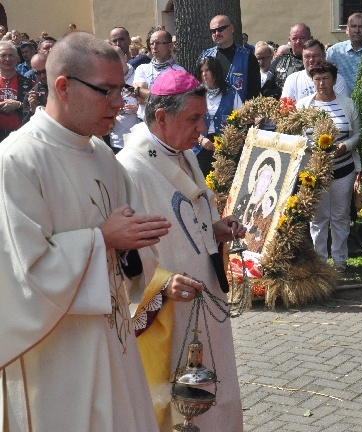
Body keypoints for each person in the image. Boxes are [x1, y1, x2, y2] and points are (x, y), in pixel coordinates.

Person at [0, 31, 170, 431]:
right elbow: (20, 278)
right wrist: (103, 240)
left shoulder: (104, 158)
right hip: (56, 364)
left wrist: (134, 245)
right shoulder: (17, 161)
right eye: (106, 91)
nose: (120, 103)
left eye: (122, 89)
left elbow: (128, 265)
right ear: (63, 87)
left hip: (116, 348)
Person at [117, 68, 245, 432]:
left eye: (202, 117)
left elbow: (191, 220)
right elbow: (123, 257)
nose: (202, 128)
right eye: (194, 118)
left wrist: (217, 231)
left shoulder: (182, 153)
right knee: (175, 403)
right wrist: (161, 284)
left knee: (217, 393)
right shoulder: (130, 169)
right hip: (170, 311)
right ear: (161, 117)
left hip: (205, 300)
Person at [296, 60, 360, 273]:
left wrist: (345, 146)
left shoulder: (347, 104)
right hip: (314, 171)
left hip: (343, 169)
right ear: (312, 80)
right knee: (318, 217)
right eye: (317, 79)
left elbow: (358, 134)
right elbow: (296, 136)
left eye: (325, 78)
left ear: (334, 80)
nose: (321, 83)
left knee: (340, 216)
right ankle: (320, 262)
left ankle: (340, 262)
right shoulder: (303, 106)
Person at [194, 55, 242, 176]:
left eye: (207, 70)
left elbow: (240, 121)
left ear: (215, 71)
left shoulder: (231, 93)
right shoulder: (195, 94)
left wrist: (228, 142)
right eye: (202, 71)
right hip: (200, 146)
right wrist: (200, 139)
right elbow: (187, 123)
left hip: (224, 147)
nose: (204, 74)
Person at [199, 15, 260, 102]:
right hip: (212, 113)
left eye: (220, 29)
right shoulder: (205, 56)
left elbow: (254, 92)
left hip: (239, 113)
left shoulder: (247, 57)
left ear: (231, 28)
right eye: (213, 31)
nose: (217, 33)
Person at [133, 28, 185, 120]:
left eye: (158, 43)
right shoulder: (142, 68)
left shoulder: (179, 72)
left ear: (170, 46)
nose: (154, 47)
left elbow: (168, 101)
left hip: (166, 124)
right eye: (152, 43)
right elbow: (140, 100)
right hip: (143, 122)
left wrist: (139, 90)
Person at [281, 39, 349, 103]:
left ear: (324, 56)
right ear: (302, 58)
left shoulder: (337, 79)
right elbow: (286, 108)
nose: (311, 60)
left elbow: (342, 107)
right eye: (307, 56)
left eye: (315, 55)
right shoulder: (292, 80)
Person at [326, 12, 362, 93]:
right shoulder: (334, 53)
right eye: (353, 26)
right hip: (340, 103)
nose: (357, 31)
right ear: (347, 30)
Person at [0, 41, 33, 141]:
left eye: (11, 55)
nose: (7, 59)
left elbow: (39, 108)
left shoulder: (29, 83)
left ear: (17, 58)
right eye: (3, 55)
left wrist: (19, 105)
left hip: (21, 137)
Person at [109, 45, 139, 152]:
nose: (115, 64)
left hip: (137, 139)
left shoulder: (138, 77)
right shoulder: (108, 80)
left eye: (117, 59)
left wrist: (137, 110)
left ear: (125, 58)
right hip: (116, 139)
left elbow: (151, 106)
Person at [268, 23, 311, 90]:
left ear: (310, 39)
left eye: (302, 38)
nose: (298, 42)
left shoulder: (318, 63)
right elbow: (266, 90)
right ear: (289, 40)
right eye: (294, 38)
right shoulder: (278, 62)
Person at [22, 53, 48, 122]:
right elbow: (25, 124)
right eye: (38, 73)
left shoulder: (63, 86)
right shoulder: (32, 94)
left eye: (44, 71)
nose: (42, 76)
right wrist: (32, 110)